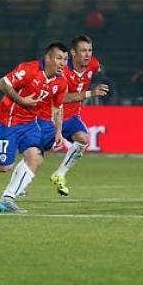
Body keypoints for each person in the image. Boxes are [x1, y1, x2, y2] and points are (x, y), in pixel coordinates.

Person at [0, 42, 69, 214]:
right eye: (59, 58)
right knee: (4, 167)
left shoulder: (61, 82)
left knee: (35, 158)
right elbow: (1, 83)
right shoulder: (29, 69)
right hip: (8, 121)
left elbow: (57, 108)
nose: (63, 63)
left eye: (65, 59)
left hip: (30, 124)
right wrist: (21, 100)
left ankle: (7, 199)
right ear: (48, 58)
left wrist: (58, 130)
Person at [46, 35, 108, 196]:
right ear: (73, 54)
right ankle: (20, 186)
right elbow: (62, 98)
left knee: (84, 139)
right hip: (52, 116)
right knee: (35, 152)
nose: (87, 54)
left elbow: (97, 67)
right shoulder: (63, 71)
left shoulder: (92, 64)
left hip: (72, 117)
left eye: (89, 50)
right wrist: (90, 93)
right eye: (83, 51)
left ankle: (59, 174)